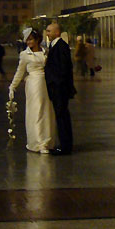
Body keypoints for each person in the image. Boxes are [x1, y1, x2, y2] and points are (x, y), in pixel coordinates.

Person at [8, 28, 58, 153]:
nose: (29, 42)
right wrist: (13, 86)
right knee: (36, 110)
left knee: (47, 111)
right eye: (27, 40)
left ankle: (47, 140)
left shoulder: (45, 51)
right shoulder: (25, 55)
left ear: (37, 40)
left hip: (46, 83)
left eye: (31, 39)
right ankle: (38, 141)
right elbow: (20, 72)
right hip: (33, 84)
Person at [44, 22, 76, 155]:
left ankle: (65, 146)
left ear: (57, 32)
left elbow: (64, 68)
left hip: (60, 89)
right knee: (61, 116)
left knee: (62, 116)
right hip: (57, 88)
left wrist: (56, 83)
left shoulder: (61, 46)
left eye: (49, 31)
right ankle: (64, 143)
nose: (47, 33)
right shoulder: (55, 45)